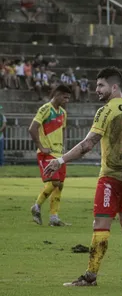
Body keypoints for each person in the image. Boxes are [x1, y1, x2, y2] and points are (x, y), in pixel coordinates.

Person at [43, 67, 122, 287]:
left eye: (101, 85)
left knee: (101, 224)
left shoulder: (106, 110)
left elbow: (87, 145)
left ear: (114, 86)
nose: (96, 89)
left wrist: (59, 160)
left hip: (111, 176)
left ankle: (90, 275)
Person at [29, 85, 71, 226]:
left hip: (59, 155)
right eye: (65, 97)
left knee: (60, 185)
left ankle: (54, 218)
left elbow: (64, 129)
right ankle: (36, 206)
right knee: (54, 182)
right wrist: (41, 146)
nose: (67, 100)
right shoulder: (45, 109)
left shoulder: (63, 113)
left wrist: (63, 147)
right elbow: (32, 128)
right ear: (58, 95)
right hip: (47, 153)